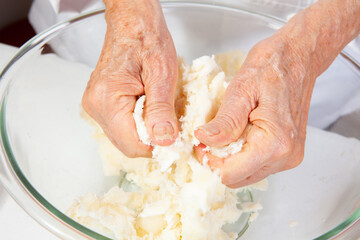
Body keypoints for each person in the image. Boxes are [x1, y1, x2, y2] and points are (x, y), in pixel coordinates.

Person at [30, 0, 360, 188]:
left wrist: (310, 46)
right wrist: (127, 11)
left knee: (283, 160)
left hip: (315, 25)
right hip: (101, 29)